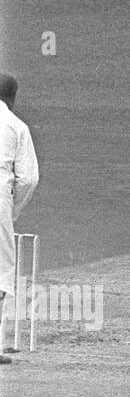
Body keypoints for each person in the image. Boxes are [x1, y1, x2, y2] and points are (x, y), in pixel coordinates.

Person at [0, 72, 39, 367]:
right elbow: (28, 179)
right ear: (12, 98)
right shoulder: (16, 126)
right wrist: (11, 212)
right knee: (0, 271)